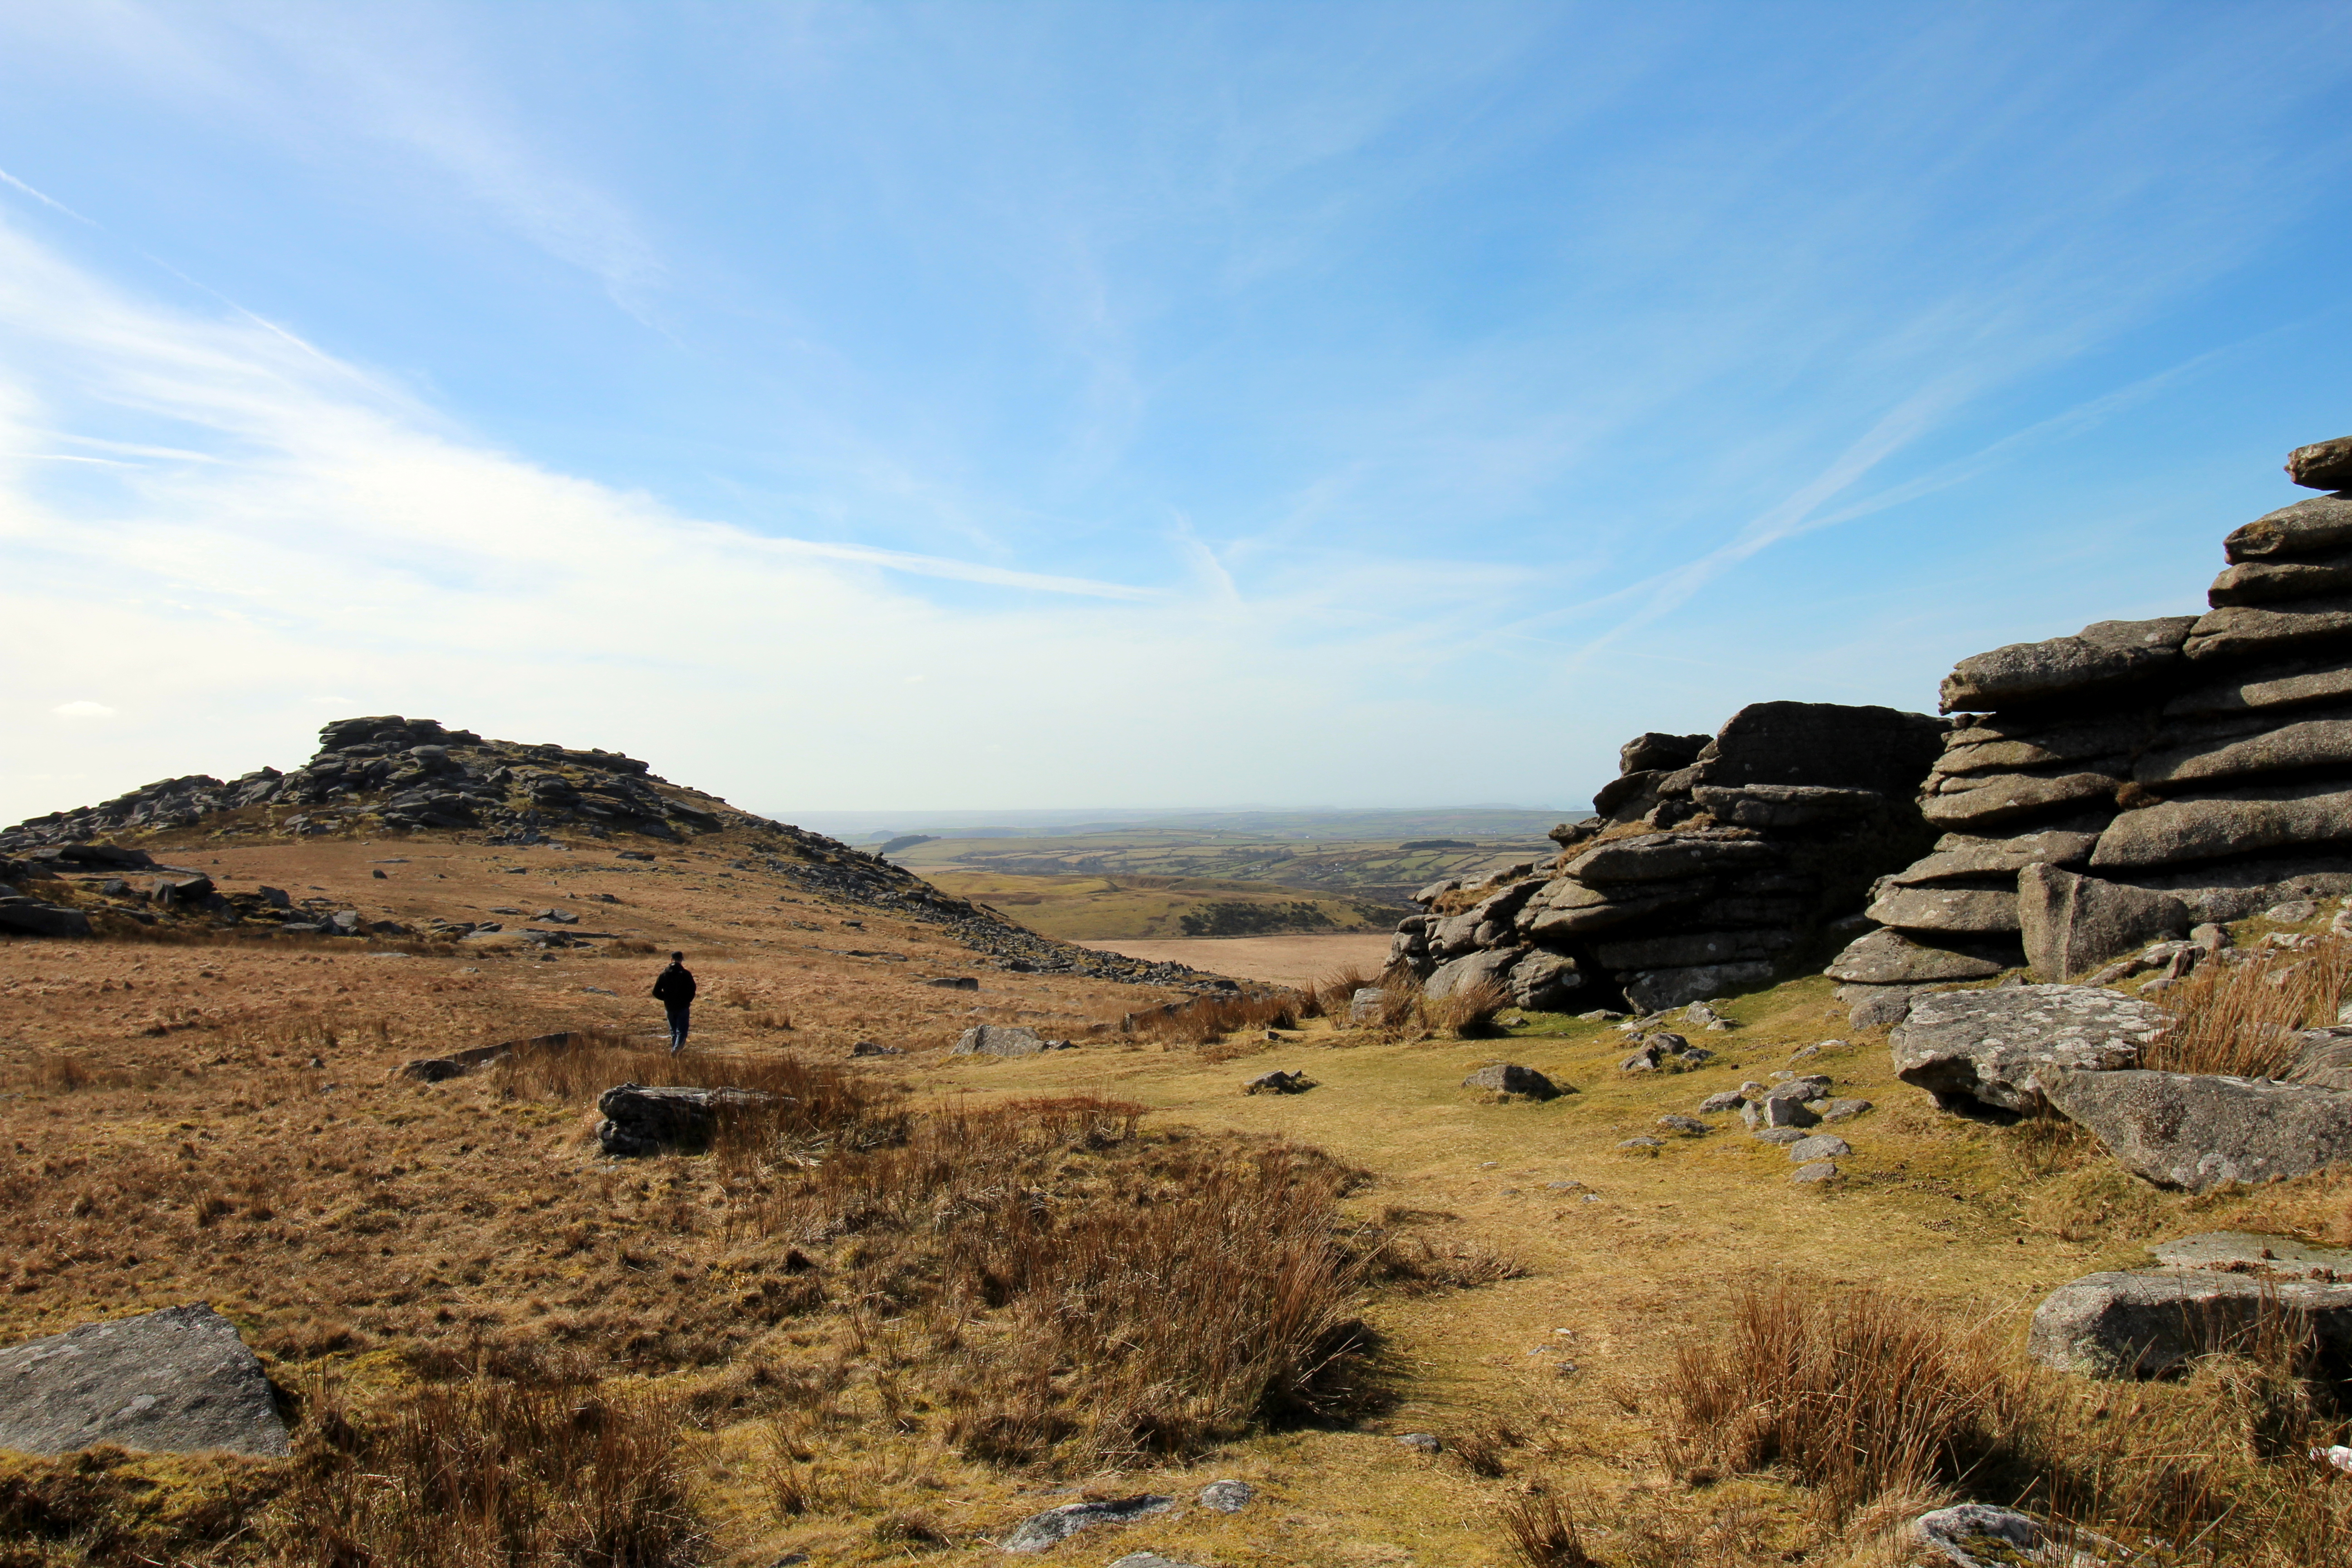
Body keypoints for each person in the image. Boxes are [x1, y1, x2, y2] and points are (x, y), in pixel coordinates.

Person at [651, 951, 696, 1054]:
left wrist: (667, 998)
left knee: (674, 1032)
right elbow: (693, 990)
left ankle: (676, 1053)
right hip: (683, 1007)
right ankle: (676, 1051)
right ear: (681, 960)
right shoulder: (686, 974)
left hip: (669, 1007)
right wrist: (687, 1000)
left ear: (671, 960)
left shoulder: (664, 974)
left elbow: (655, 992)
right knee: (682, 1032)